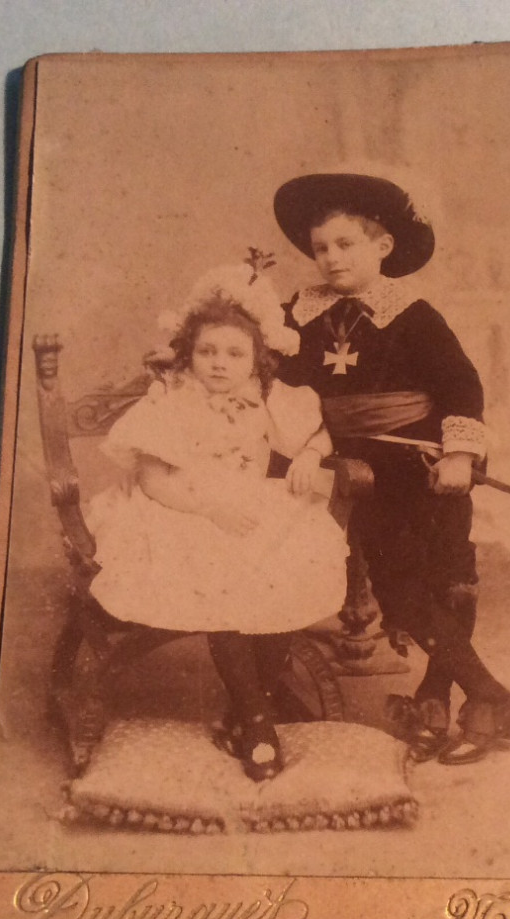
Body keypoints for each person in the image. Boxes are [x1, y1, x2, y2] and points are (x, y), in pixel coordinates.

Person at [273, 171, 510, 763]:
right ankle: (490, 696)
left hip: (421, 462)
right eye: (320, 249)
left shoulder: (411, 313)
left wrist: (460, 454)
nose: (331, 260)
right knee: (401, 586)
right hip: (351, 464)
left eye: (346, 245)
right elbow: (267, 367)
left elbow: (462, 386)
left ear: (382, 247)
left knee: (445, 578)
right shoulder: (298, 316)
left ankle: (442, 698)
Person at [87, 265, 347, 781]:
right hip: (180, 509)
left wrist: (309, 457)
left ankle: (253, 706)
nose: (220, 364)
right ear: (188, 354)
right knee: (226, 570)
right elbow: (154, 482)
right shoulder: (170, 402)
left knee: (290, 554)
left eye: (234, 354)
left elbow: (318, 434)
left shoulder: (267, 397)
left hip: (246, 503)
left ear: (256, 360)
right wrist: (209, 510)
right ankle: (256, 723)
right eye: (207, 352)